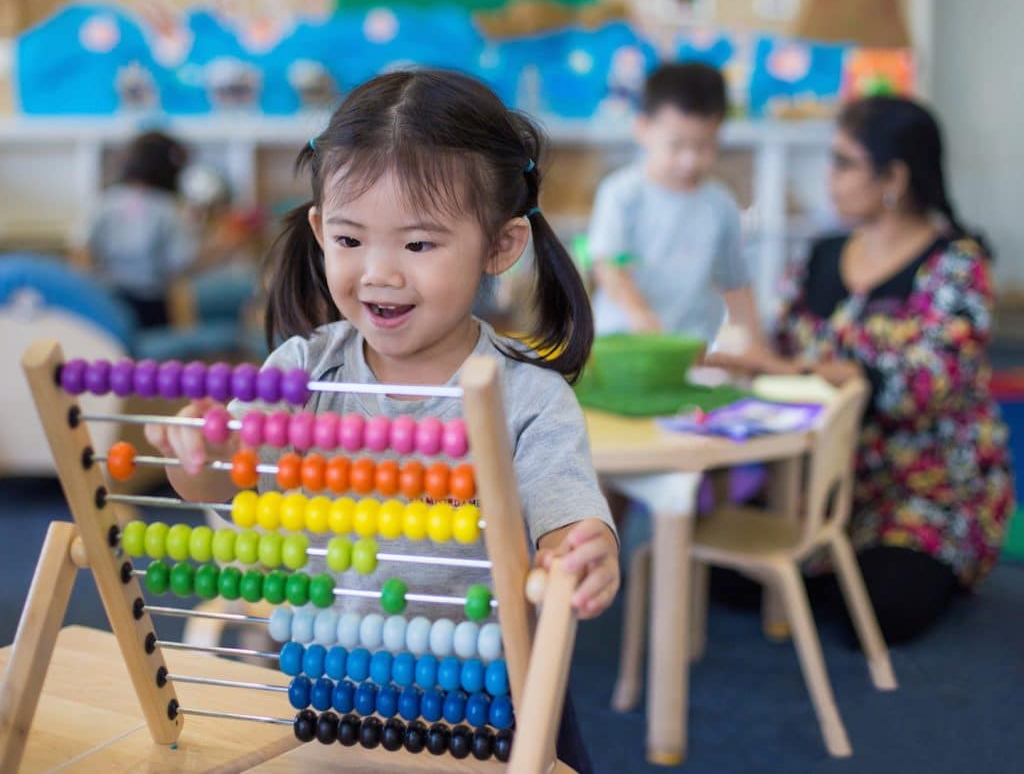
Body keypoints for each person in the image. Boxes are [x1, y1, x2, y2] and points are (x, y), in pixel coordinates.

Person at [145, 69, 619, 771]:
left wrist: (585, 551)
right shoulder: (302, 373)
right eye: (350, 240)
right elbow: (218, 484)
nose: (380, 274)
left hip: (483, 709)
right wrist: (197, 454)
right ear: (318, 232)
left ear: (500, 246)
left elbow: (567, 519)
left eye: (419, 245)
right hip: (326, 693)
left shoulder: (526, 395)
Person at [727, 96, 1015, 644]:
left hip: (923, 491)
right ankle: (814, 569)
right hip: (820, 482)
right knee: (712, 565)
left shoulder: (956, 264)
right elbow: (781, 353)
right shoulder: (821, 252)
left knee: (881, 610)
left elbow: (926, 384)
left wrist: (824, 369)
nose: (829, 177)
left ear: (895, 177)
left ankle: (834, 573)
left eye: (843, 163)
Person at [587, 61, 765, 350]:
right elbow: (607, 265)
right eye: (676, 145)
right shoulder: (622, 193)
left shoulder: (720, 204)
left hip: (690, 350)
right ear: (642, 128)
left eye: (704, 146)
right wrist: (641, 316)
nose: (689, 160)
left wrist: (756, 345)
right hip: (622, 345)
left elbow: (737, 284)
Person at [80, 131, 246, 327]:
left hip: (109, 303)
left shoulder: (104, 201)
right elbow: (184, 263)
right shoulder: (165, 208)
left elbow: (82, 253)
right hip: (151, 307)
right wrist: (229, 245)